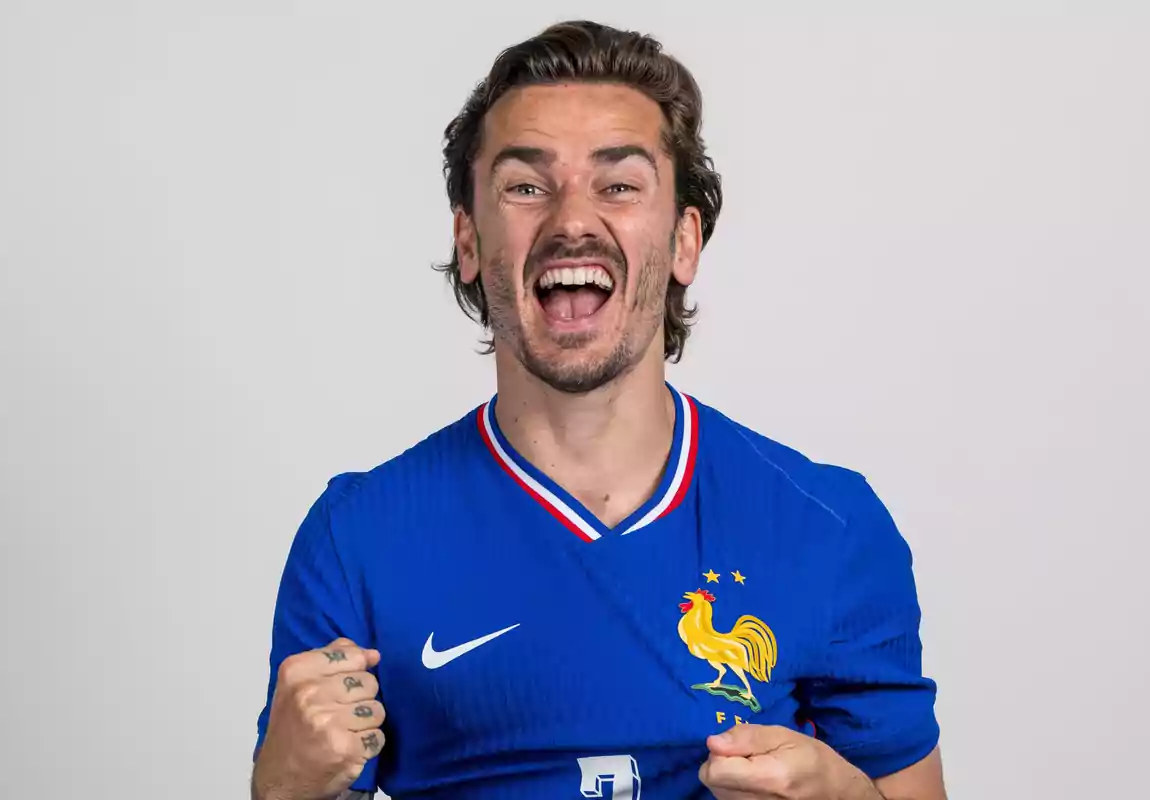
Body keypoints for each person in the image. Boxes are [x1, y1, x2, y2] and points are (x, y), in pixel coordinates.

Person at [250, 19, 946, 800]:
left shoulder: (830, 525)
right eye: (525, 186)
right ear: (471, 241)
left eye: (618, 185)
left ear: (684, 241)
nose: (572, 220)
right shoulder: (358, 537)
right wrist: (283, 786)